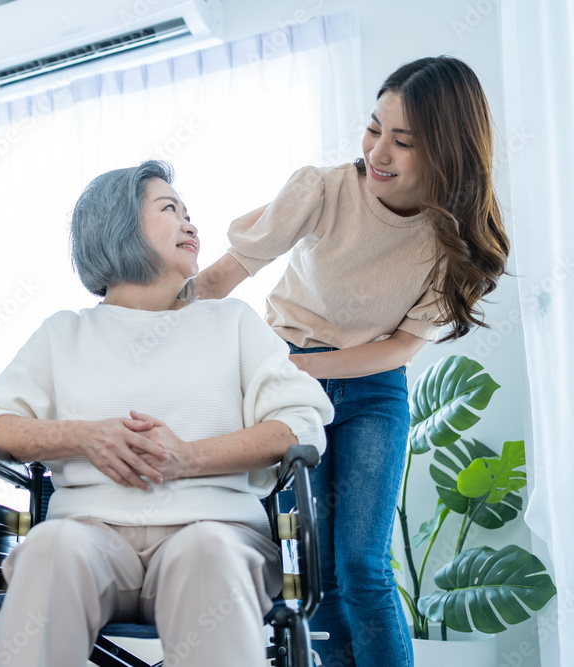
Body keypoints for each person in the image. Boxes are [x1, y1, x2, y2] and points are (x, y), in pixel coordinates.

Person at [195, 56, 510, 667]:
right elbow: (224, 276)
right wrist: (135, 323)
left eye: (403, 140)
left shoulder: (454, 241)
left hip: (371, 392)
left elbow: (400, 348)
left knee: (363, 566)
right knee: (311, 573)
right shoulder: (323, 190)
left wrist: (302, 368)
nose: (378, 151)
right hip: (285, 395)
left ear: (446, 151)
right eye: (374, 128)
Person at [0, 160, 334, 666]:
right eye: (170, 209)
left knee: (205, 554)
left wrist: (187, 458)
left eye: (188, 212)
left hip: (216, 531)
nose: (191, 223)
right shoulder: (64, 334)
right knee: (52, 550)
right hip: (90, 536)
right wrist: (84, 437)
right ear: (119, 227)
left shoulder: (232, 323)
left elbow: (304, 420)